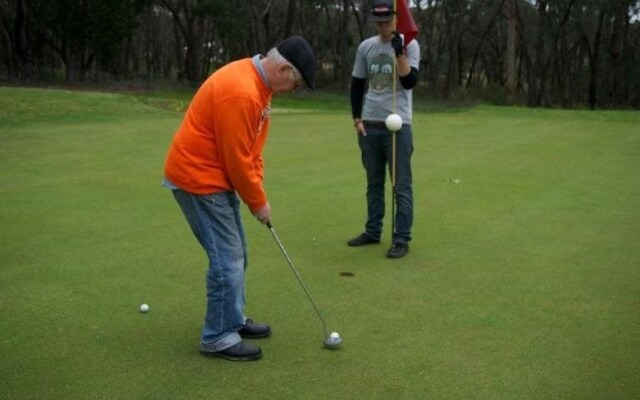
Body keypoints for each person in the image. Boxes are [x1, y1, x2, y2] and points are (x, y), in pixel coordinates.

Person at [163, 36, 316, 361]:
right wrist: (257, 202)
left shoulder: (260, 88)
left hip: (215, 179)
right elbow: (236, 160)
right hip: (198, 179)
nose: (294, 90)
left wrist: (256, 192)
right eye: (297, 83)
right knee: (227, 259)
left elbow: (252, 151)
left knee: (237, 253)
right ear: (285, 68)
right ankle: (217, 335)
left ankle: (231, 319)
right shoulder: (243, 92)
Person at [348, 0, 420, 259]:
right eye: (378, 22)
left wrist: (399, 54)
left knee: (401, 186)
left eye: (387, 21)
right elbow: (357, 84)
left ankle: (401, 238)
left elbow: (409, 82)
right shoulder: (366, 46)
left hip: (398, 126)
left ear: (396, 18)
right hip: (370, 124)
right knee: (374, 183)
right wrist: (357, 118)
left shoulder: (409, 45)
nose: (382, 26)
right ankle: (373, 230)